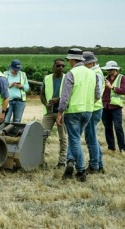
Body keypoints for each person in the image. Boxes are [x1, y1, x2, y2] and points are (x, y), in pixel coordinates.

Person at [57, 48, 100, 182]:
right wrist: (88, 105)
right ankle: (70, 161)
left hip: (73, 111)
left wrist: (60, 112)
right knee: (75, 139)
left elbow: (65, 96)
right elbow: (97, 95)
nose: (68, 62)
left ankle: (81, 170)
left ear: (72, 60)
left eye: (68, 60)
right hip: (88, 111)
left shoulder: (71, 73)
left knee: (74, 140)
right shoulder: (93, 74)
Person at [40, 58, 67, 168]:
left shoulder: (67, 78)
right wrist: (46, 103)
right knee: (41, 136)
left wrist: (58, 100)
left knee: (63, 138)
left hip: (62, 111)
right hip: (49, 112)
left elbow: (70, 95)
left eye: (63, 66)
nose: (61, 67)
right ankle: (40, 160)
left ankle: (62, 162)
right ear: (53, 66)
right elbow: (41, 94)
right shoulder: (47, 78)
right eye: (58, 65)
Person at [82, 51, 104, 173]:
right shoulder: (95, 72)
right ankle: (99, 164)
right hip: (95, 108)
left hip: (94, 109)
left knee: (91, 139)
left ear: (91, 63)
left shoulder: (95, 74)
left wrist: (88, 104)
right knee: (93, 137)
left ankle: (94, 165)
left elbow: (98, 94)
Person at [101, 61, 125, 155]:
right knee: (107, 128)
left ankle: (123, 149)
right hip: (105, 106)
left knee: (118, 128)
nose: (108, 71)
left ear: (115, 69)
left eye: (110, 69)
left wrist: (111, 87)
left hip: (116, 107)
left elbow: (124, 91)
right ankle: (111, 148)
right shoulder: (105, 78)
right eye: (107, 69)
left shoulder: (122, 78)